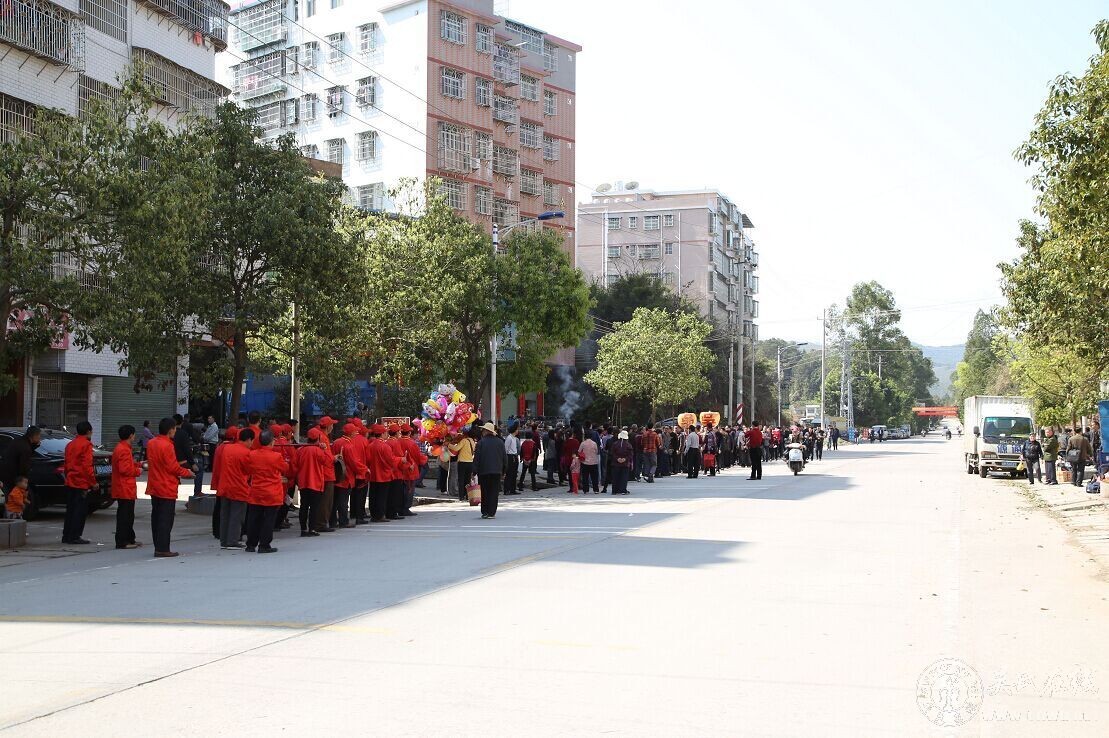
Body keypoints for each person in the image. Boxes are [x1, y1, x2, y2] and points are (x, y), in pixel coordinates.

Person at [146, 417, 194, 557]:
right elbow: (173, 467)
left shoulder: (151, 443)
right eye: (174, 429)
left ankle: (158, 546)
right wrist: (188, 473)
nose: (175, 431)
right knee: (165, 520)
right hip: (166, 486)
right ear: (170, 430)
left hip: (154, 485)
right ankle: (162, 548)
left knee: (156, 518)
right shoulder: (167, 446)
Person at [245, 430, 288, 553]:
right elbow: (285, 468)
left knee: (254, 519)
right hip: (271, 492)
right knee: (269, 519)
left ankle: (251, 544)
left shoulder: (252, 454)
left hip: (256, 491)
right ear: (271, 442)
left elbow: (248, 469)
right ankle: (264, 544)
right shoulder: (276, 456)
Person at [214, 427, 252, 548]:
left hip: (224, 485)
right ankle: (233, 541)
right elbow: (249, 470)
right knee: (237, 515)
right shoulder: (246, 453)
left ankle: (224, 541)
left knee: (225, 514)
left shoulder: (227, 448)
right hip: (238, 486)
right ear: (249, 439)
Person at [62, 420, 97, 545]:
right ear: (88, 431)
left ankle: (67, 535)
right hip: (81, 481)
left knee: (70, 509)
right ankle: (75, 536)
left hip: (70, 480)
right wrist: (93, 482)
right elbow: (87, 466)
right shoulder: (86, 445)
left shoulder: (70, 444)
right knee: (80, 511)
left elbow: (66, 464)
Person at [111, 425, 144, 549]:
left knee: (128, 515)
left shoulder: (123, 447)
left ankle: (130, 539)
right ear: (131, 435)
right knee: (125, 516)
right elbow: (124, 469)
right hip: (124, 487)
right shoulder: (123, 449)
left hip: (125, 487)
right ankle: (122, 541)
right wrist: (138, 471)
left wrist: (138, 464)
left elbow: (127, 464)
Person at [295, 427, 330, 534]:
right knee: (314, 507)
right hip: (316, 483)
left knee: (304, 506)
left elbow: (294, 466)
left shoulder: (300, 450)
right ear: (318, 438)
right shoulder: (318, 451)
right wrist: (325, 449)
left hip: (303, 482)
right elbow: (328, 461)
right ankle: (312, 528)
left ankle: (303, 529)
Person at [473, 422, 506, 519]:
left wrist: (474, 471)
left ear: (486, 431)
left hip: (483, 471)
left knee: (484, 492)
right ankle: (492, 512)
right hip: (496, 471)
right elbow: (504, 458)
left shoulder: (481, 442)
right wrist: (504, 471)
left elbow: (477, 458)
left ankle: (485, 512)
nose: (482, 432)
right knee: (494, 492)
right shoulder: (500, 442)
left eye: (483, 430)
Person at [0, 425, 39, 494]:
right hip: (13, 477)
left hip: (5, 475)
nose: (39, 438)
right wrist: (24, 483)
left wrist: (34, 446)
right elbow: (24, 468)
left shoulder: (18, 441)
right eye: (39, 435)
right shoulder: (25, 448)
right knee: (15, 497)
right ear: (34, 436)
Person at [451, 429, 477, 501]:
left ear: (466, 434)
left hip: (462, 462)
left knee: (461, 480)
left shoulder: (464, 441)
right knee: (467, 480)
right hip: (470, 462)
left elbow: (456, 448)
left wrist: (449, 445)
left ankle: (461, 496)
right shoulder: (473, 442)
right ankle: (467, 495)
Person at [503, 423, 521, 497]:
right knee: (509, 474)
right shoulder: (509, 438)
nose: (518, 431)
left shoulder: (515, 438)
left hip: (515, 456)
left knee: (514, 474)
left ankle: (513, 489)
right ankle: (507, 489)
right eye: (517, 429)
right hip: (510, 456)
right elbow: (506, 449)